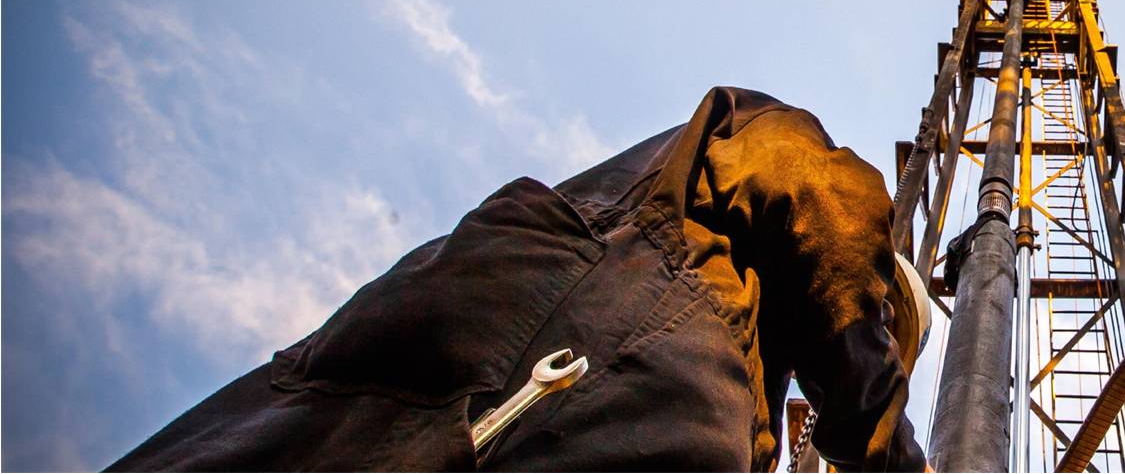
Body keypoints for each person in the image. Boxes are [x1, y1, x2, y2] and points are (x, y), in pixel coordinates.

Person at [111, 87, 926, 471]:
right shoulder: (723, 224)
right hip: (579, 357)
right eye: (883, 325)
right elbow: (827, 203)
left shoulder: (740, 375)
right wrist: (892, 456)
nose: (868, 345)